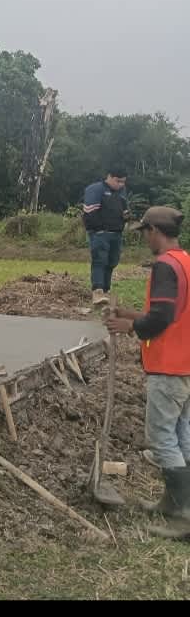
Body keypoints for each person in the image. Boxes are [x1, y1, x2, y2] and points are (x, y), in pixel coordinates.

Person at [103, 206, 190, 537]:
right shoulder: (185, 261)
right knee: (182, 434)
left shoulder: (165, 266)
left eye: (144, 232)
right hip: (186, 364)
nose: (144, 238)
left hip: (168, 366)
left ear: (154, 230)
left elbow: (162, 318)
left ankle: (184, 514)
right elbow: (172, 312)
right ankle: (174, 503)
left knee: (162, 436)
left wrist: (128, 326)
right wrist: (130, 311)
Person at [83, 168, 130, 306]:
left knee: (112, 262)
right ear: (109, 177)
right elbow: (89, 211)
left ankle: (106, 290)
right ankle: (97, 292)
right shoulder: (96, 189)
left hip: (116, 233)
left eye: (123, 182)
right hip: (100, 233)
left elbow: (125, 209)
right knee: (99, 260)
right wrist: (98, 229)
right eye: (118, 181)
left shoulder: (121, 192)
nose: (120, 184)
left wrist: (127, 219)